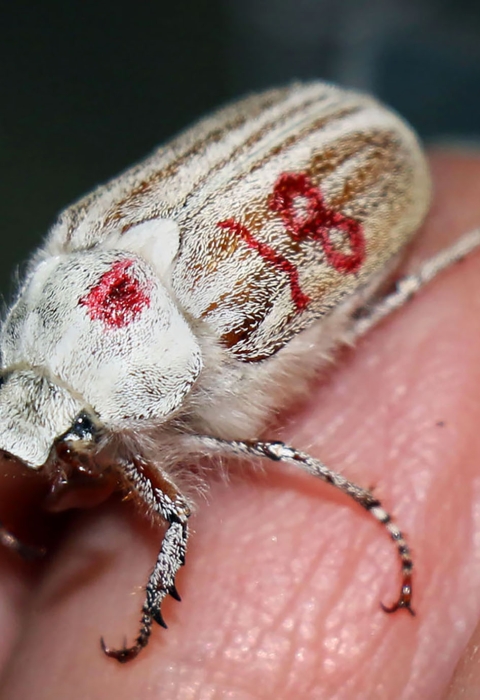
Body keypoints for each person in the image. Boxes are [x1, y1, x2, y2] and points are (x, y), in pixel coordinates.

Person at [0, 150, 478, 700]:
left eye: (77, 435)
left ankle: (456, 256)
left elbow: (176, 518)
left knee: (378, 310)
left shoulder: (222, 329)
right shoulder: (79, 235)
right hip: (279, 141)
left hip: (359, 173)